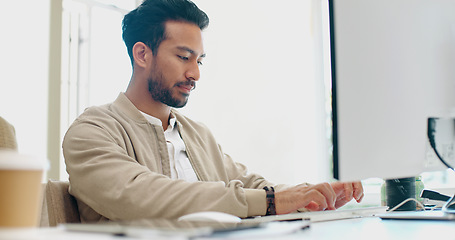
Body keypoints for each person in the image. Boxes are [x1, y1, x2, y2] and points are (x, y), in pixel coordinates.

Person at [62, 0, 364, 223]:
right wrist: (273, 201)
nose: (195, 73)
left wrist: (313, 194)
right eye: (183, 57)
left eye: (200, 61)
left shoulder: (196, 134)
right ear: (142, 54)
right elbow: (143, 197)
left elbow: (254, 187)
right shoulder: (91, 131)